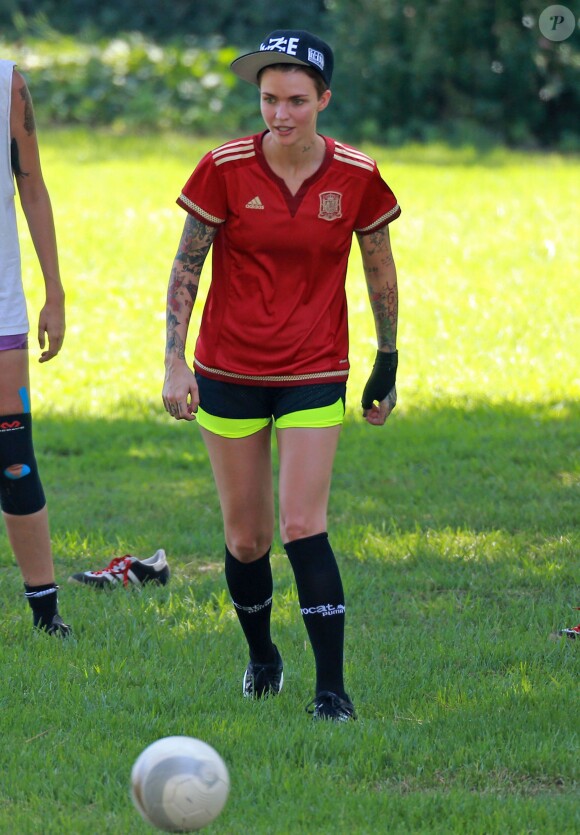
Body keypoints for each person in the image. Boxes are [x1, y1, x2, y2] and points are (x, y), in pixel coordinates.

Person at [162, 30, 400, 721]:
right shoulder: (223, 167)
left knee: (302, 524)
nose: (280, 113)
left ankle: (332, 691)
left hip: (313, 365)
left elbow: (380, 269)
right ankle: (263, 654)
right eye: (269, 99)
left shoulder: (357, 175)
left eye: (296, 100)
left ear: (324, 99)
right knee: (247, 539)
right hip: (228, 365)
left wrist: (387, 360)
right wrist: (174, 359)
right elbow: (186, 265)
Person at [0, 60, 71, 635]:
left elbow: (33, 187)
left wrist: (55, 291)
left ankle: (46, 613)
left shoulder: (8, 85)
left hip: (1, 309)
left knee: (15, 458)